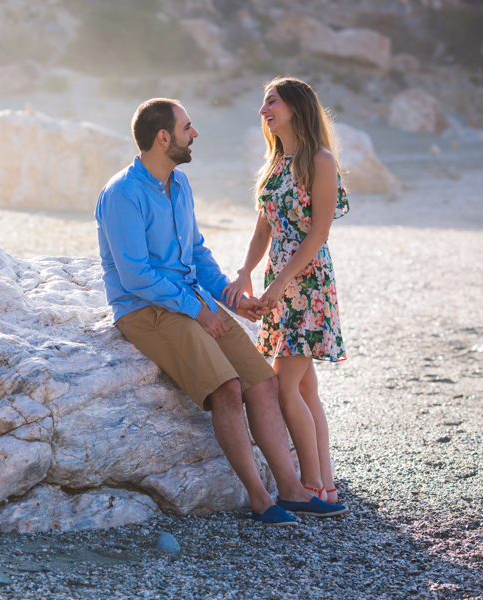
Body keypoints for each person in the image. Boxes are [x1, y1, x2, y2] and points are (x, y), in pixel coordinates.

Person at [95, 98, 347, 526]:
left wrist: (231, 298)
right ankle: (260, 498)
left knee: (264, 382)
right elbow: (135, 276)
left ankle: (293, 490)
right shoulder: (122, 194)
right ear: (163, 137)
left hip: (191, 299)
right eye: (187, 127)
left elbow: (195, 253)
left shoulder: (180, 185)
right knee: (228, 389)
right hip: (145, 309)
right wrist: (198, 310)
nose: (195, 134)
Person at [222, 77, 349, 505]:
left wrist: (278, 285)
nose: (263, 110)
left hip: (308, 282)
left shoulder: (320, 159)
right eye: (263, 103)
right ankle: (325, 486)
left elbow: (318, 233)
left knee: (284, 383)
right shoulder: (275, 164)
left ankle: (312, 485)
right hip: (282, 279)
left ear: (296, 106)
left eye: (271, 102)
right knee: (304, 386)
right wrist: (245, 274)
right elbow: (264, 230)